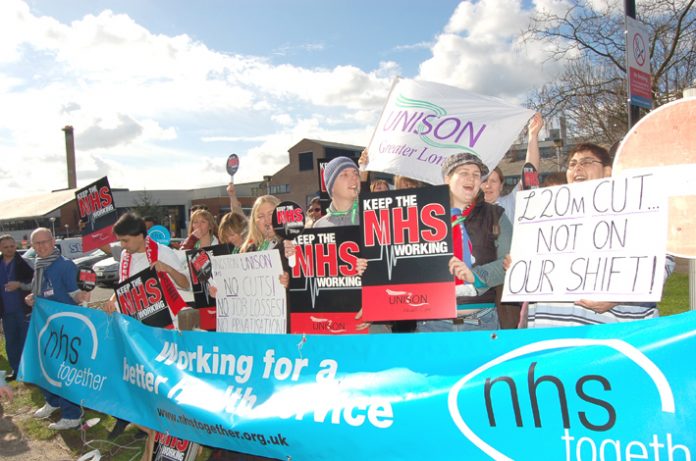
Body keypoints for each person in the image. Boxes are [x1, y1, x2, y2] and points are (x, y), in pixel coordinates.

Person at [526, 143, 674, 327]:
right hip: (553, 326)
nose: (577, 168)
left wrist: (618, 296)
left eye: (586, 162)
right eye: (572, 164)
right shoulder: (546, 213)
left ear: (607, 171)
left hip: (610, 330)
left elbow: (662, 261)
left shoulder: (635, 209)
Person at [418, 153, 512, 333]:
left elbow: (511, 261)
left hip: (482, 321)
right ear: (447, 178)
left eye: (476, 175)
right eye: (464, 172)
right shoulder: (421, 216)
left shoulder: (496, 215)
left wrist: (475, 276)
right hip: (432, 323)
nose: (471, 178)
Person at [25, 228, 89, 430]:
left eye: (45, 242)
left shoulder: (64, 265)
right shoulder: (39, 265)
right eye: (37, 244)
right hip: (45, 327)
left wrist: (83, 296)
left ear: (53, 241)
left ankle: (72, 415)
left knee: (63, 372)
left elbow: (75, 293)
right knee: (46, 367)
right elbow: (40, 292)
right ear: (32, 246)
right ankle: (52, 402)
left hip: (64, 328)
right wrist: (32, 299)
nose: (41, 246)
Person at [481, 112, 543, 223]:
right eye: (484, 180)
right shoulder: (465, 212)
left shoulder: (509, 203)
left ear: (501, 186)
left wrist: (533, 136)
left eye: (494, 181)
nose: (488, 185)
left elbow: (529, 174)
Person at [0, 235, 34, 381]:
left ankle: (30, 371)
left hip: (23, 309)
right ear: (0, 248)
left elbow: (35, 282)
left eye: (12, 246)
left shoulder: (25, 262)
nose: (9, 249)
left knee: (26, 339)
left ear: (16, 246)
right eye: (5, 247)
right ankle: (16, 370)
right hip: (6, 311)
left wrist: (19, 284)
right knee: (11, 341)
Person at [313, 157, 361, 228]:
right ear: (331, 186)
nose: (354, 177)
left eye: (356, 173)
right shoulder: (319, 226)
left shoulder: (370, 219)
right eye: (345, 175)